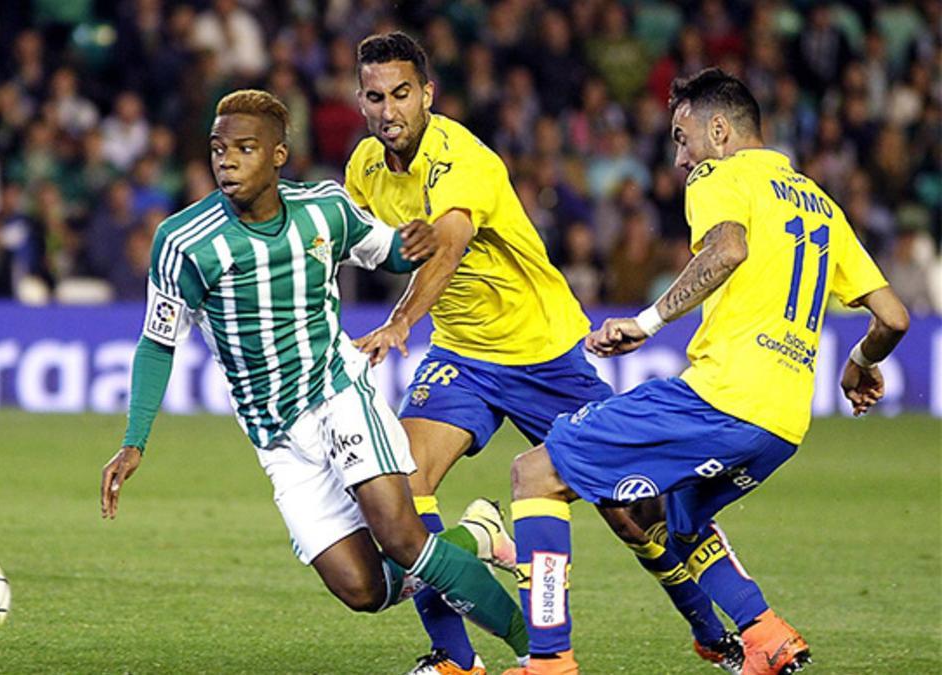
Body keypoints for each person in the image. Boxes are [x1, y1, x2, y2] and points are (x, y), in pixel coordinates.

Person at [345, 32, 745, 675]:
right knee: (403, 485)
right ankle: (455, 658)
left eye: (400, 94)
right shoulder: (364, 167)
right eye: (374, 97)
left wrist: (398, 322)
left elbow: (448, 245)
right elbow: (365, 243)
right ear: (358, 99)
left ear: (427, 94)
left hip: (543, 353)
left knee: (631, 511)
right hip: (462, 357)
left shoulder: (462, 159)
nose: (388, 110)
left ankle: (711, 629)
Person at [98, 90, 530, 665]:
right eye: (218, 148)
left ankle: (539, 654)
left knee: (402, 537)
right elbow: (157, 343)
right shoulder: (183, 243)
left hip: (338, 395)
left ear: (279, 155)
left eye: (244, 149)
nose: (226, 160)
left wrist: (416, 245)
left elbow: (386, 252)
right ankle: (477, 535)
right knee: (364, 590)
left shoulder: (325, 209)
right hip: (277, 439)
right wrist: (134, 439)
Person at [504, 68, 909, 675]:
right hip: (783, 423)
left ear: (718, 130)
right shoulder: (820, 203)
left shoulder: (719, 175)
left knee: (535, 473)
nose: (678, 155)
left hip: (723, 396)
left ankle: (549, 660)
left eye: (681, 135)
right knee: (672, 519)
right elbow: (895, 317)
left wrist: (644, 323)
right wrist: (858, 362)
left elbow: (728, 249)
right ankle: (766, 635)